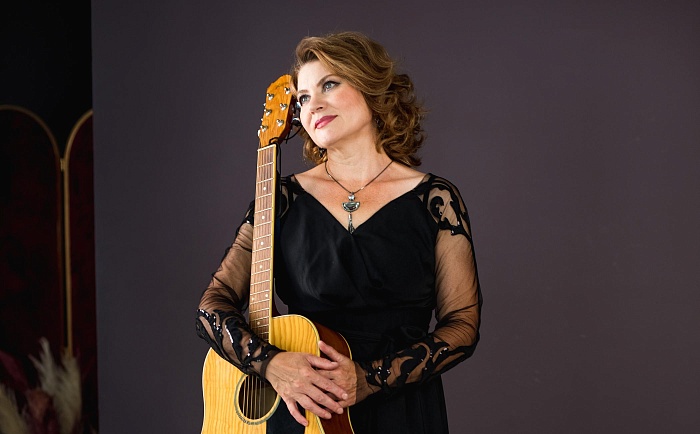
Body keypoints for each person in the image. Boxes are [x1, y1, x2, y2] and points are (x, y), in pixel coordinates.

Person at [196, 31, 482, 434]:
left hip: (402, 412)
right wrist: (271, 364)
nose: (313, 105)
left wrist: (369, 378)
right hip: (303, 414)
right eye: (303, 98)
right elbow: (212, 305)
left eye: (329, 85)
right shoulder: (281, 199)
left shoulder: (435, 200)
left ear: (370, 87)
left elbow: (463, 324)